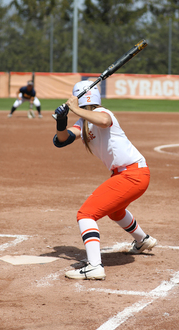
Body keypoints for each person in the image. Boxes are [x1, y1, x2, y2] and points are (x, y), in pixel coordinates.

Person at [52, 81, 157, 280]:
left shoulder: (104, 113)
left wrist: (74, 109)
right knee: (115, 211)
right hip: (130, 174)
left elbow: (103, 121)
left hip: (132, 174)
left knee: (86, 214)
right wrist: (61, 121)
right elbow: (61, 140)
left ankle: (94, 266)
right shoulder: (82, 123)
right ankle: (143, 240)